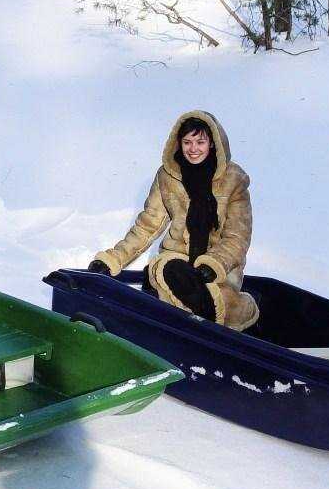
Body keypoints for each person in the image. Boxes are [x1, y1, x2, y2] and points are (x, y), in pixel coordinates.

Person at [88, 110, 259, 331]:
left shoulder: (233, 181)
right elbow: (147, 226)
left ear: (214, 143)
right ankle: (190, 324)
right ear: (178, 144)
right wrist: (112, 260)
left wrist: (212, 264)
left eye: (200, 142)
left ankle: (238, 310)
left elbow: (238, 237)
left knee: (211, 295)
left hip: (219, 270)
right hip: (176, 264)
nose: (193, 149)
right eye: (187, 142)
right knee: (169, 271)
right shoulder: (168, 176)